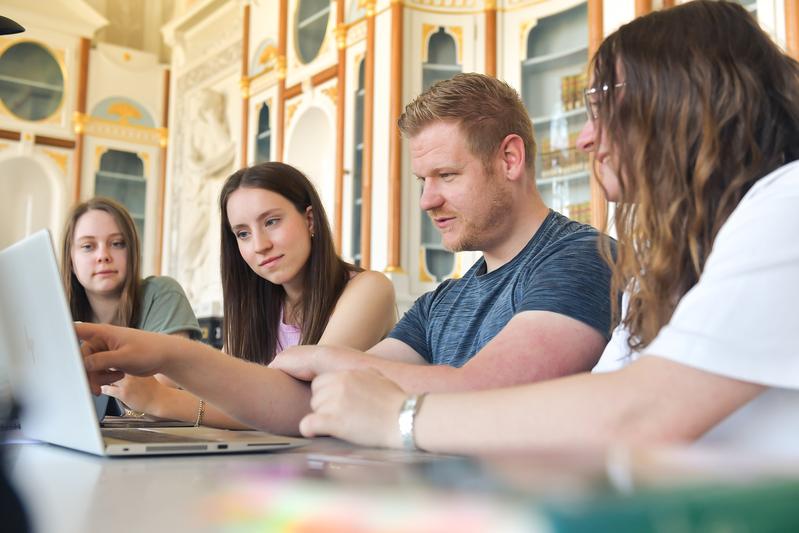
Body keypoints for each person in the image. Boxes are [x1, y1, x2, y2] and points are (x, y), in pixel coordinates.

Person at [293, 0, 799, 454]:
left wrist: (398, 416)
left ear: (683, 100)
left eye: (601, 107)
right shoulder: (665, 262)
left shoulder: (788, 202)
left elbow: (641, 411)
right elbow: (604, 399)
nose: (584, 138)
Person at [268, 72, 614, 394]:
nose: (426, 201)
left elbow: (489, 392)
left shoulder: (584, 257)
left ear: (510, 159)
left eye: (446, 175)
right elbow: (336, 389)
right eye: (423, 180)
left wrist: (324, 359)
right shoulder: (440, 303)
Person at [78, 162, 396, 432]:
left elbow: (300, 405)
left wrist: (162, 399)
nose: (259, 245)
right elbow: (227, 391)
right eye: (243, 233)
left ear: (309, 219)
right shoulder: (256, 307)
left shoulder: (368, 289)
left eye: (271, 222)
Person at [61, 197, 201, 416]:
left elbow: (160, 390)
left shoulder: (161, 293)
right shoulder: (57, 311)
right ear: (70, 260)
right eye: (88, 246)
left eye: (117, 243)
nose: (103, 256)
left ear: (132, 252)